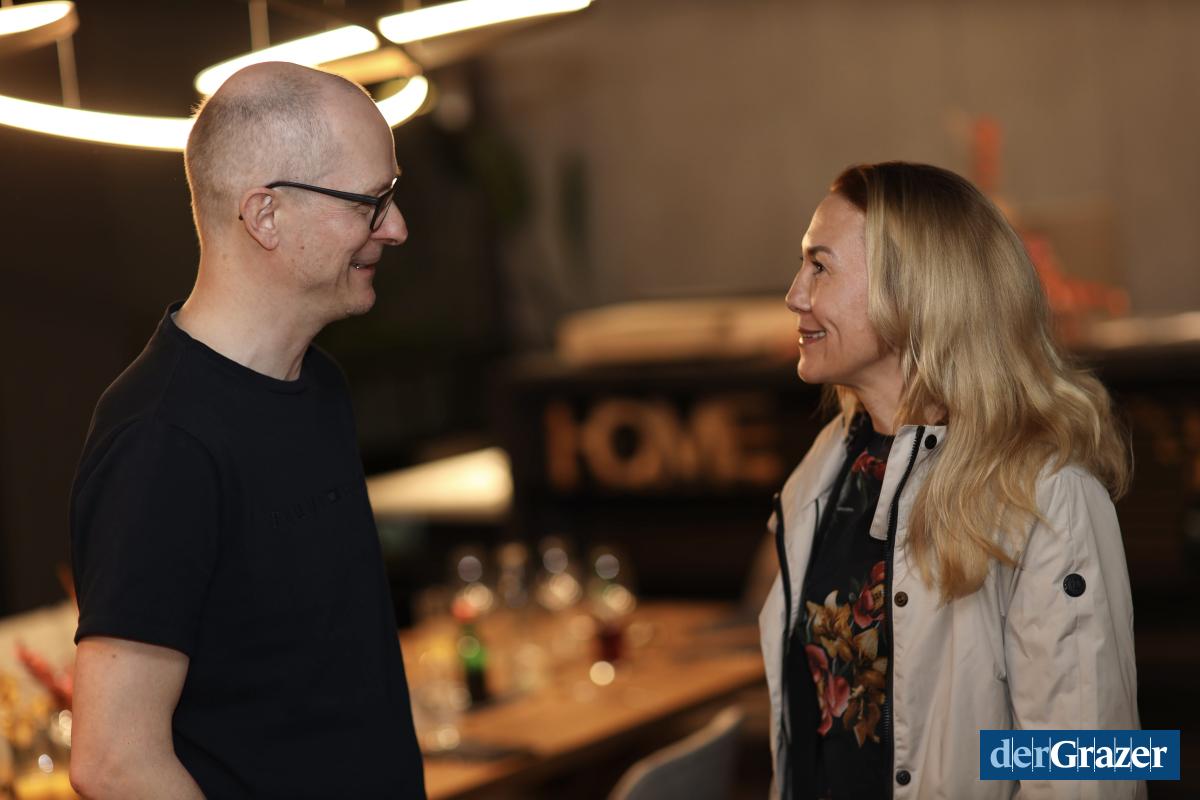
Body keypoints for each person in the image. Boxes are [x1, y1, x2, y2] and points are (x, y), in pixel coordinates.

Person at [68, 62, 425, 798]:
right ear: (266, 216)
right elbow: (112, 763)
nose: (396, 228)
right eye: (372, 202)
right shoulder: (163, 438)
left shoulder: (317, 383)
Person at [759, 162, 1141, 799]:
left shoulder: (1047, 495)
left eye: (820, 266)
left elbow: (1086, 770)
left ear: (912, 291)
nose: (796, 295)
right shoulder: (828, 467)